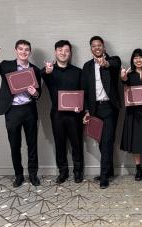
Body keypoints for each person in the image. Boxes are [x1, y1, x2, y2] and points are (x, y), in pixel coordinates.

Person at [0, 40, 41, 187]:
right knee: (15, 145)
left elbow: (39, 94)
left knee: (32, 144)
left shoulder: (35, 69)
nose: (23, 52)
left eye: (26, 49)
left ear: (30, 52)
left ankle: (33, 175)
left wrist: (35, 93)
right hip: (12, 110)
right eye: (20, 49)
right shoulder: (6, 65)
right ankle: (19, 175)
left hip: (29, 110)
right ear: (16, 50)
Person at [41, 40, 84, 184]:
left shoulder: (78, 72)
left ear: (70, 53)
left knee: (77, 144)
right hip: (57, 114)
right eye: (60, 50)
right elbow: (43, 74)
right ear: (55, 52)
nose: (63, 52)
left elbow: (83, 93)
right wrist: (47, 71)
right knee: (59, 144)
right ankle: (63, 172)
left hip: (75, 114)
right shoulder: (49, 70)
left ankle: (78, 172)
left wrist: (81, 107)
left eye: (66, 50)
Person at [82, 36, 121, 189]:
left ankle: (104, 176)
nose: (97, 48)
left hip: (109, 107)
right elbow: (85, 89)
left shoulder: (114, 61)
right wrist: (86, 111)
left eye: (99, 45)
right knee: (101, 142)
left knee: (106, 141)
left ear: (104, 47)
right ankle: (109, 170)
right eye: (93, 46)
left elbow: (114, 64)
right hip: (94, 109)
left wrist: (105, 64)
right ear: (91, 48)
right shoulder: (86, 66)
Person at [120, 48, 142, 181]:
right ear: (132, 60)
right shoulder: (128, 76)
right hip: (133, 114)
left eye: (141, 57)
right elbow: (124, 86)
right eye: (135, 58)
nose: (138, 60)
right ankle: (138, 168)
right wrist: (123, 77)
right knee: (136, 144)